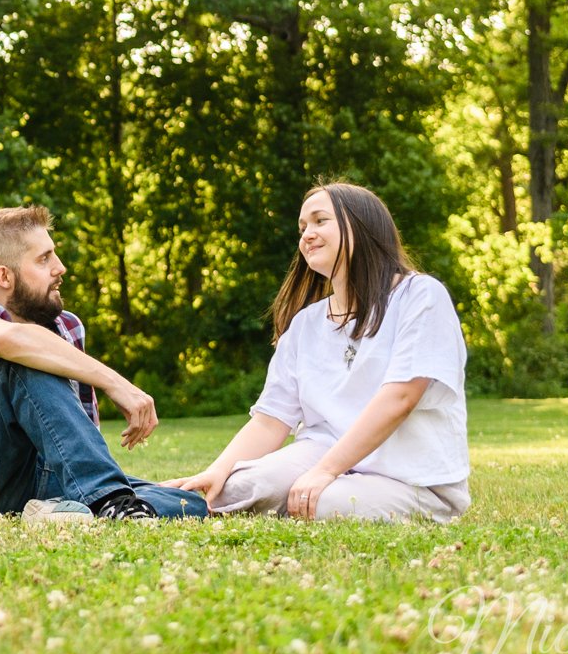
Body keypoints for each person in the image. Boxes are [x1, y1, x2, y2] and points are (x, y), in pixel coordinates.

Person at [0, 205, 206, 524]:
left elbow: (74, 448)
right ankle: (112, 502)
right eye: (44, 259)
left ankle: (75, 509)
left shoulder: (67, 327)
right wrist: (115, 383)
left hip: (30, 482)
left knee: (188, 503)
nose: (60, 267)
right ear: (4, 276)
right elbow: (8, 341)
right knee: (25, 359)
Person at [171, 183, 471, 522]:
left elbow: (401, 397)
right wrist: (217, 471)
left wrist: (324, 472)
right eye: (302, 228)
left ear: (361, 225)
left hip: (410, 478)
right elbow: (271, 420)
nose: (307, 235)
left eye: (319, 221)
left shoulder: (420, 296)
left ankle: (318, 495)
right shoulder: (306, 323)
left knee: (324, 504)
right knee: (236, 489)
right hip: (322, 453)